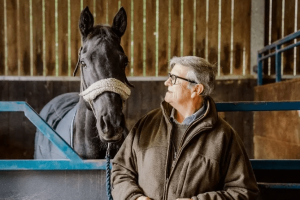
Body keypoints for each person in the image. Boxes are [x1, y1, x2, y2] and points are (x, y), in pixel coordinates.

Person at [111, 56, 259, 200]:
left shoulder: (224, 137)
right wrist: (134, 198)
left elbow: (245, 192)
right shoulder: (146, 125)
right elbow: (120, 169)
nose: (167, 82)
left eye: (174, 78)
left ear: (196, 89)